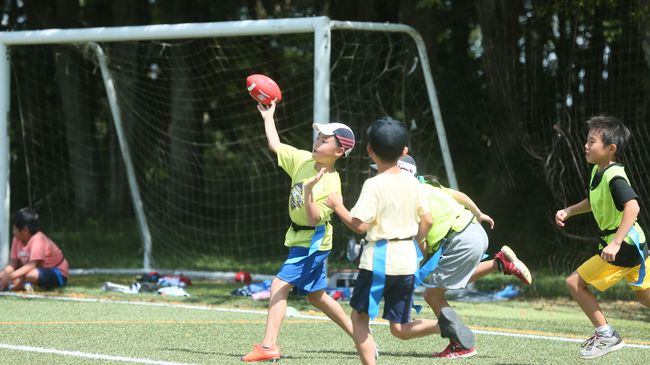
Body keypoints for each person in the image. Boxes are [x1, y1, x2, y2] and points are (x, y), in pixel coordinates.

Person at [326, 117, 473, 365]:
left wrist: (339, 207)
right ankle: (441, 325)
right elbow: (426, 219)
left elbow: (360, 225)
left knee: (359, 318)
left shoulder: (374, 184)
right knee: (400, 327)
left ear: (370, 150)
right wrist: (415, 242)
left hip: (379, 259)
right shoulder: (415, 184)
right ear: (405, 152)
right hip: (406, 259)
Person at [241, 101, 356, 362]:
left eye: (325, 140)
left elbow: (315, 219)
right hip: (300, 239)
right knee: (316, 296)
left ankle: (268, 347)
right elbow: (275, 145)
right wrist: (268, 117)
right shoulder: (304, 159)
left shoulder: (331, 182)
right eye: (318, 137)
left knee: (280, 285)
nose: (318, 142)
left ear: (339, 151)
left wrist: (308, 192)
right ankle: (362, 337)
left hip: (312, 241)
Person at [391, 155, 532, 358]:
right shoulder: (428, 186)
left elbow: (422, 241)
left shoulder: (408, 198)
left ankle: (460, 344)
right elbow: (460, 195)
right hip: (474, 231)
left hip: (461, 241)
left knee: (433, 295)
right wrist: (479, 213)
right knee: (442, 286)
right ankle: (499, 263)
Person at [555, 115, 650, 359]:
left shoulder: (615, 176)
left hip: (624, 246)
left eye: (592, 141)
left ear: (611, 149)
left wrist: (616, 243)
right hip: (635, 244)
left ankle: (606, 335)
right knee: (645, 297)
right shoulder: (599, 172)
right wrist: (569, 210)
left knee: (574, 283)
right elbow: (594, 201)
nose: (586, 145)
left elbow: (633, 207)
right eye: (586, 140)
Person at [0, 207, 69, 291]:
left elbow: (32, 265)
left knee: (30, 275)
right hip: (32, 271)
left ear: (25, 230)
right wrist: (5, 275)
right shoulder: (17, 239)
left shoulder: (38, 239)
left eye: (14, 229)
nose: (13, 232)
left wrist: (10, 276)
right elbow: (12, 263)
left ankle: (25, 286)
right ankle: (22, 286)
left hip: (58, 273)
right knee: (7, 276)